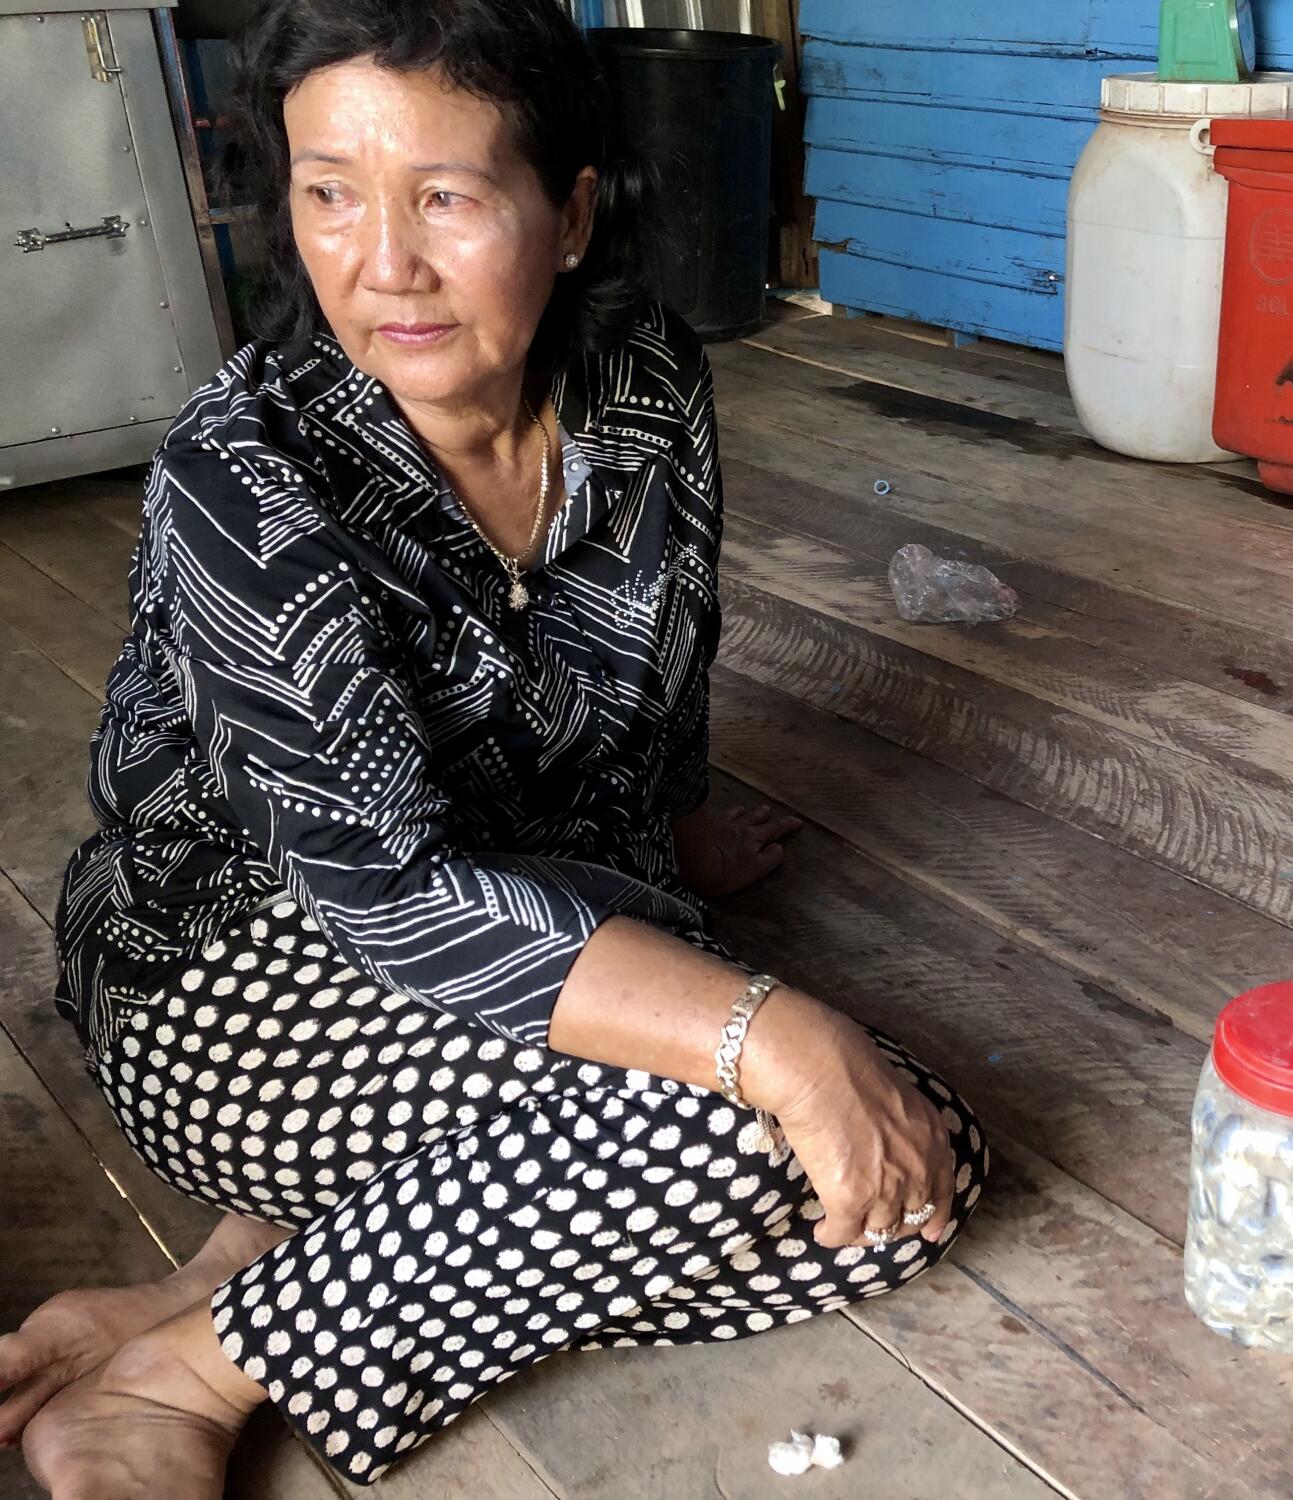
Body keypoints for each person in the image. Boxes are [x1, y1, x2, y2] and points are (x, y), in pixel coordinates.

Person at [0, 2, 985, 1493]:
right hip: (231, 965)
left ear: (571, 211)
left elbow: (666, 665)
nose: (379, 260)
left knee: (909, 1173)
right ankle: (181, 1385)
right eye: (329, 191)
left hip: (533, 895)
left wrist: (664, 838)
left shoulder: (644, 383)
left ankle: (230, 1291)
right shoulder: (242, 465)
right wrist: (773, 1029)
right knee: (763, 1136)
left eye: (445, 196)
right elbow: (388, 897)